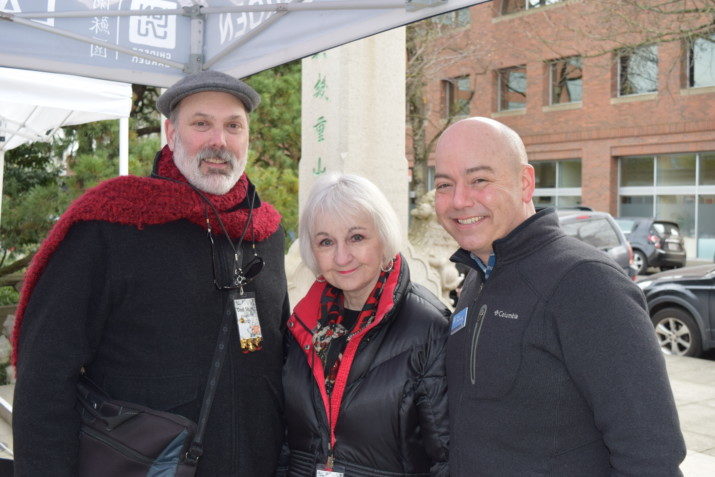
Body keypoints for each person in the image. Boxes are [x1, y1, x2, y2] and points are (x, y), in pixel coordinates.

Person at [12, 70, 289, 476]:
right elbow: (46, 374)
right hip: (139, 465)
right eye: (201, 124)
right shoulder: (110, 226)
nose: (219, 141)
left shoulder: (266, 232)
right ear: (171, 133)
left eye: (234, 126)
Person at [433, 117, 686, 476]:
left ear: (525, 183)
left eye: (479, 180)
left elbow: (650, 456)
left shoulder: (587, 282)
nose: (459, 200)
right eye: (445, 184)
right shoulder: (479, 276)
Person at [282, 173, 449, 476]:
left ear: (383, 237)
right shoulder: (302, 326)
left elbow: (445, 455)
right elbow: (284, 442)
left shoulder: (428, 328)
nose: (342, 256)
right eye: (326, 242)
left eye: (357, 237)